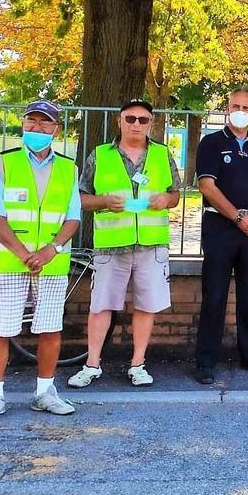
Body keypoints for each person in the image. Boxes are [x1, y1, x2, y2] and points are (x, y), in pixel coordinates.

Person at [0, 100, 82, 423]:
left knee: (50, 328)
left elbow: (72, 218)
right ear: (23, 125)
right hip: (8, 262)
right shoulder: (4, 163)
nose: (37, 128)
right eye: (31, 121)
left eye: (45, 123)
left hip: (50, 263)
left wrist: (52, 249)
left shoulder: (68, 167)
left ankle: (45, 392)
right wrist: (23, 253)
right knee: (0, 329)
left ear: (56, 129)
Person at [66, 100, 181, 389]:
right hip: (111, 245)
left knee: (147, 305)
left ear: (151, 124)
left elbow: (175, 195)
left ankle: (138, 364)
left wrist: (166, 200)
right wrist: (104, 201)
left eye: (143, 120)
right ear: (119, 121)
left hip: (151, 244)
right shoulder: (100, 155)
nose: (136, 124)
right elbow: (81, 198)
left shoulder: (163, 155)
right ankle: (92, 364)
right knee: (101, 306)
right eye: (130, 118)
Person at [193, 86, 248, 384]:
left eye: (246, 108)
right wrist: (237, 217)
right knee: (215, 296)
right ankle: (206, 361)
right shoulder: (211, 143)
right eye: (235, 106)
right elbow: (207, 186)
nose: (240, 111)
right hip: (221, 227)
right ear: (226, 108)